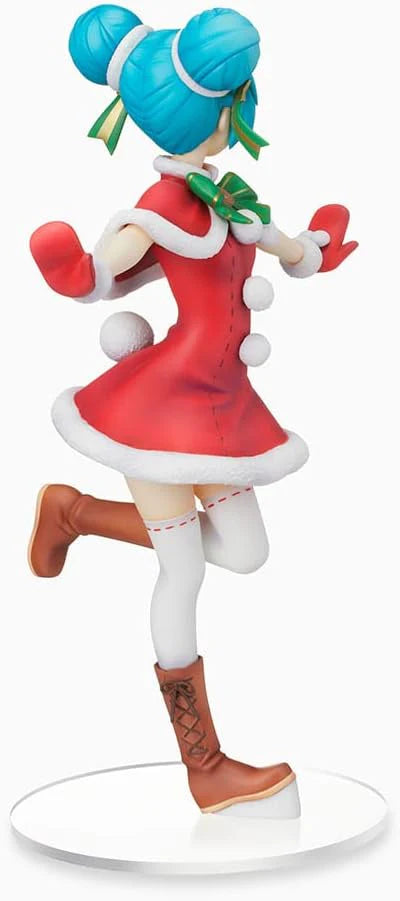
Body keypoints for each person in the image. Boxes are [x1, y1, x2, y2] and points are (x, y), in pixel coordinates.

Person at [28, 5, 357, 817]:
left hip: (221, 405)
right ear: (214, 108)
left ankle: (72, 512)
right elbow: (108, 266)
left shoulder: (224, 192)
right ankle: (204, 766)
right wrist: (72, 269)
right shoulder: (164, 204)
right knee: (183, 571)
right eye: (238, 100)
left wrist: (316, 248)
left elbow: (277, 243)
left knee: (245, 551)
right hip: (163, 413)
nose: (246, 111)